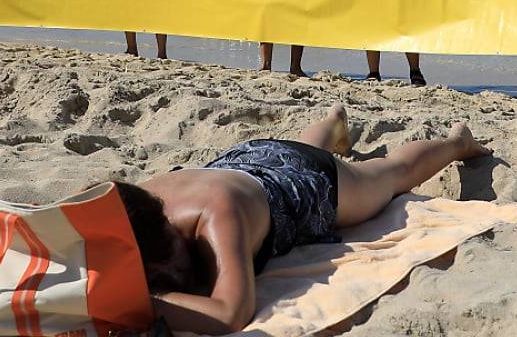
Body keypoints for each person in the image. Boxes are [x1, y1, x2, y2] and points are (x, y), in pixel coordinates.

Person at [115, 104, 489, 334]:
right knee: (299, 146)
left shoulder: (214, 217)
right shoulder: (139, 203)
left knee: (390, 175)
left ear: (169, 232)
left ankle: (457, 142)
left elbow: (230, 315)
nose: (170, 282)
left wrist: (134, 302)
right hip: (244, 161)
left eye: (166, 273)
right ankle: (332, 120)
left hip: (305, 182)